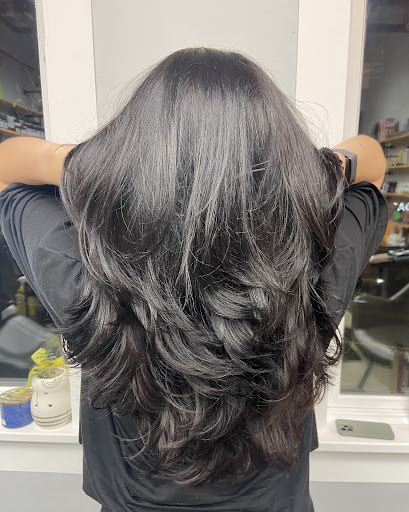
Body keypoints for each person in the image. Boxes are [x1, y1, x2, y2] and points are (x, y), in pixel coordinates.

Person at [0, 47, 387, 511]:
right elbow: (372, 159)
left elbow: (8, 167)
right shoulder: (314, 267)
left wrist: (84, 163)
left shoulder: (85, 273)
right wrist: (322, 168)